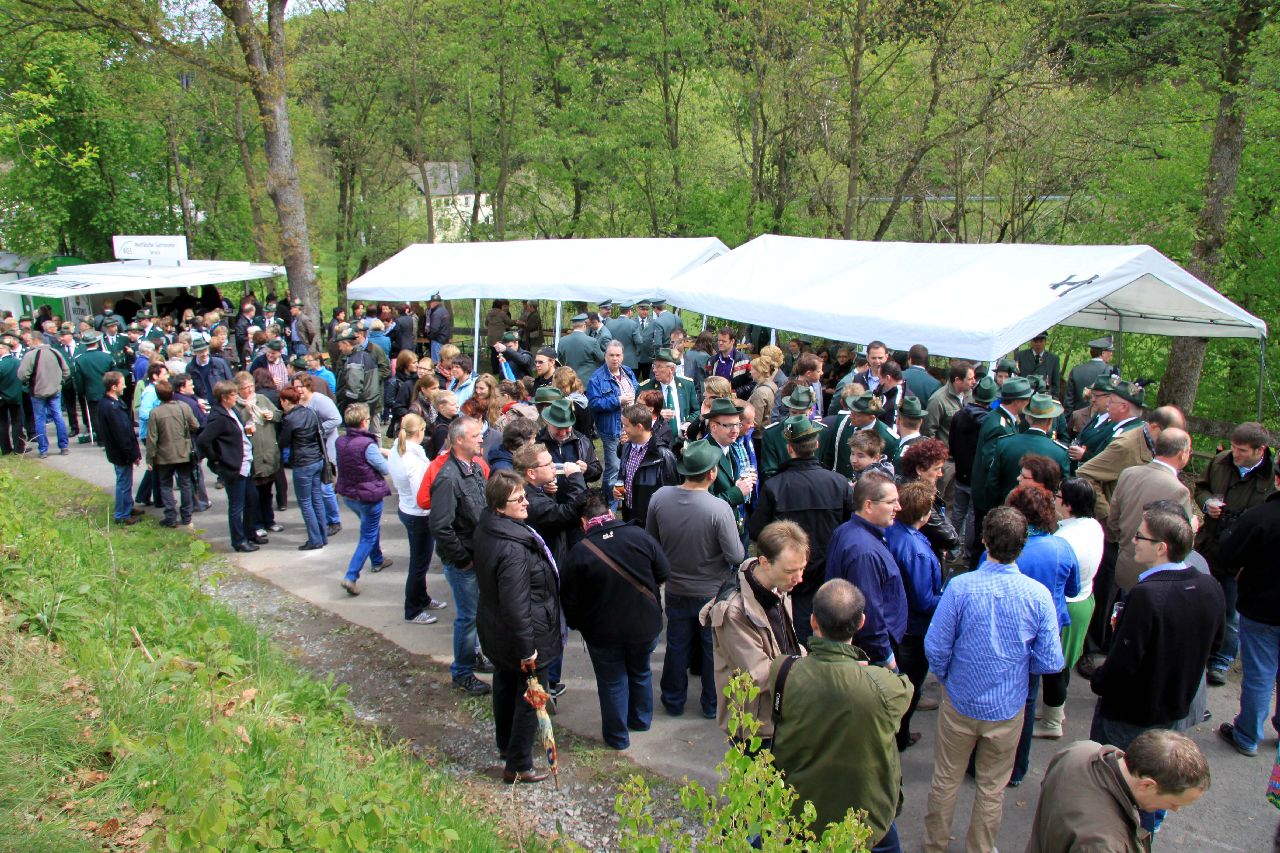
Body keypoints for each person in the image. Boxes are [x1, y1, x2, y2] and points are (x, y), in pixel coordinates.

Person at [922, 506, 1064, 853]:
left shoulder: (960, 588)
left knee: (945, 779)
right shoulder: (1038, 596)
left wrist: (947, 678)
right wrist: (1019, 673)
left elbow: (936, 646)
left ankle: (934, 845)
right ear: (1022, 545)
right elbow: (1051, 661)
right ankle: (981, 848)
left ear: (984, 540)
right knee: (992, 787)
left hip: (960, 700)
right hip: (1006, 707)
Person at [1090, 503, 1223, 838]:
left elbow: (1124, 662)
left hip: (1130, 713)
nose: (1133, 541)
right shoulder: (1210, 587)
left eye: (1140, 536)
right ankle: (1147, 830)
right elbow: (1216, 646)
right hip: (1173, 709)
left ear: (1162, 547)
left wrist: (1100, 680)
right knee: (1157, 782)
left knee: (1120, 784)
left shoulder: (1147, 595)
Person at [768, 579, 912, 850]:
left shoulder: (783, 671)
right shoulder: (884, 686)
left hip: (800, 813)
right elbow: (905, 688)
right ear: (861, 623)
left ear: (813, 621)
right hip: (867, 818)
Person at [561, 489, 671, 751]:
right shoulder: (639, 536)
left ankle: (617, 736)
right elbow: (664, 571)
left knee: (612, 681)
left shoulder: (579, 553)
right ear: (610, 512)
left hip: (602, 632)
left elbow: (570, 602)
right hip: (644, 625)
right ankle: (641, 720)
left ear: (583, 522)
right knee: (641, 671)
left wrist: (579, 624)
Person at [472, 469, 562, 784]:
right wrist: (528, 649)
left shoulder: (489, 527)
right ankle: (519, 764)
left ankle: (505, 745)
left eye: (525, 496)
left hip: (496, 629)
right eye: (518, 499)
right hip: (524, 634)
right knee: (531, 694)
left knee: (505, 683)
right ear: (500, 506)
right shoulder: (512, 548)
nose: (526, 503)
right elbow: (515, 603)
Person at [646, 440, 744, 719]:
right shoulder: (718, 508)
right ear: (712, 473)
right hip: (712, 592)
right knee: (712, 650)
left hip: (675, 588)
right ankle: (712, 705)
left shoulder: (659, 498)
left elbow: (652, 541)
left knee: (677, 646)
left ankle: (673, 700)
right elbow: (736, 555)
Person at [699, 521, 807, 746]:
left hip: (782, 714)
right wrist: (816, 673)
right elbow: (759, 674)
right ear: (765, 562)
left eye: (802, 568)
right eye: (790, 571)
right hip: (756, 729)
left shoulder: (777, 585)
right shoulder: (734, 612)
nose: (799, 578)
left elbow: (786, 643)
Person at [748, 416, 852, 645]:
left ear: (789, 448)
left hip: (790, 580)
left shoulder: (775, 486)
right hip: (828, 574)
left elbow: (757, 531)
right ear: (816, 445)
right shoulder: (839, 483)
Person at [1002, 484, 1080, 786]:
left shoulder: (1008, 550)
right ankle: (1017, 769)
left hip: (1010, 631)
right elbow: (1073, 589)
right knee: (1028, 698)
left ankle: (986, 760)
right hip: (1046, 631)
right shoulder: (1062, 547)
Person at [1026, 730, 1210, 853]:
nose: (1175, 809)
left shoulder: (1081, 750)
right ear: (1147, 785)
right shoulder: (1107, 845)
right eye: (1173, 803)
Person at [1195, 422, 1275, 686]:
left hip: (1241, 558)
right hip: (1209, 545)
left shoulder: (1270, 479)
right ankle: (1196, 649)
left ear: (1260, 450)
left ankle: (1221, 659)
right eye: (1233, 447)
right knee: (1198, 601)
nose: (1235, 454)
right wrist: (1206, 503)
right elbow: (1201, 487)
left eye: (1242, 450)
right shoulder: (1219, 462)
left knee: (1231, 612)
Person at [1217, 465, 1280, 756]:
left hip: (1261, 608)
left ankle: (1247, 734)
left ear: (1276, 480)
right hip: (1262, 607)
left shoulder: (1261, 516)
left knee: (1259, 674)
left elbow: (1229, 554)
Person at [1036, 476, 1105, 739]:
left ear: (1068, 505)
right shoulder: (1093, 527)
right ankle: (1056, 709)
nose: (1054, 499)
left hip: (1067, 605)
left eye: (1058, 496)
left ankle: (1052, 722)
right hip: (1084, 601)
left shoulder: (1064, 539)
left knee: (1055, 668)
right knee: (1062, 664)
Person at [429, 416, 492, 696]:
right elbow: (440, 527)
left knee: (476, 615)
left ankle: (474, 656)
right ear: (459, 441)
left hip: (476, 555)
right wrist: (463, 559)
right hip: (464, 563)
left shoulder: (474, 467)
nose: (482, 439)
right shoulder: (448, 478)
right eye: (476, 435)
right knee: (467, 618)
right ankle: (462, 673)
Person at [883, 479, 942, 753]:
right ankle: (900, 737)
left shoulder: (892, 532)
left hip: (896, 623)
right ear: (924, 514)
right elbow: (923, 600)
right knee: (909, 686)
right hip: (912, 629)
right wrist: (949, 598)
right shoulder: (916, 551)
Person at [825, 472, 906, 671]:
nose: (898, 507)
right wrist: (886, 659)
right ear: (869, 505)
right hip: (872, 655)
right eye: (891, 502)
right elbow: (869, 612)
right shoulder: (864, 552)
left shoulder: (846, 530)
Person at [1107, 427, 1195, 594]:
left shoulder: (1128, 473)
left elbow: (1113, 520)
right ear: (1182, 454)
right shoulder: (1179, 491)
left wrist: (1124, 544)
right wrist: (1194, 526)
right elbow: (1182, 543)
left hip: (1124, 565)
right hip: (1154, 576)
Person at [197, 379, 266, 553]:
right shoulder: (218, 417)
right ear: (224, 397)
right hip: (234, 467)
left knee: (252, 499)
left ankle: (250, 533)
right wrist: (217, 459)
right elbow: (203, 440)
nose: (237, 397)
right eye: (234, 394)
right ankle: (239, 541)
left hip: (245, 463)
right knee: (237, 506)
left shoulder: (232, 411)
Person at [969, 376, 1033, 559]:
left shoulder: (1004, 419)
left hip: (990, 493)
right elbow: (991, 463)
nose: (1028, 403)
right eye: (1027, 399)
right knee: (984, 543)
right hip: (990, 496)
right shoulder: (998, 425)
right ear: (1018, 401)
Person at [334, 403, 393, 594]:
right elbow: (384, 468)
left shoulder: (340, 441)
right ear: (363, 422)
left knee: (370, 528)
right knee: (368, 535)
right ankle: (351, 576)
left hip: (349, 495)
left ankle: (377, 560)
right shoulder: (367, 445)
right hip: (368, 496)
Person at [984, 393, 1070, 510]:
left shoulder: (1005, 444)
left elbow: (992, 484)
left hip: (1007, 511)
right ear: (1050, 422)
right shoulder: (1059, 452)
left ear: (1028, 418)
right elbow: (1062, 490)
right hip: (1041, 514)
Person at [278, 385, 329, 551]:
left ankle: (315, 539)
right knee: (317, 499)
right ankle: (322, 535)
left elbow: (283, 442)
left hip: (302, 463)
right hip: (317, 459)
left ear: (286, 401)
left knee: (305, 502)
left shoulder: (289, 419)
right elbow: (320, 433)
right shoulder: (311, 412)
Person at [144, 379, 200, 528]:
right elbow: (196, 425)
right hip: (183, 452)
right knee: (185, 483)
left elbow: (152, 438)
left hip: (164, 455)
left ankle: (170, 516)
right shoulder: (184, 407)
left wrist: (150, 458)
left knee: (166, 485)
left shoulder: (155, 413)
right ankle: (187, 516)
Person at [587, 339, 637, 502]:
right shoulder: (597, 378)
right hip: (612, 429)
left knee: (629, 463)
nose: (615, 359)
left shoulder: (628, 372)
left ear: (622, 356)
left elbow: (636, 389)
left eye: (618, 355)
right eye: (611, 355)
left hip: (631, 427)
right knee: (614, 467)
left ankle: (624, 497)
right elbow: (593, 404)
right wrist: (618, 400)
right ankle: (609, 504)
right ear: (605, 356)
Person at [616, 404, 678, 528]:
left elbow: (672, 495)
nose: (623, 429)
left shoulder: (663, 455)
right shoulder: (627, 447)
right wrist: (619, 488)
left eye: (626, 425)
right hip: (629, 516)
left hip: (651, 521)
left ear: (639, 427)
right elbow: (623, 475)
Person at [98, 371, 143, 525]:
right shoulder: (112, 408)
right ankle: (122, 514)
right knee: (124, 483)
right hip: (121, 453)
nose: (124, 386)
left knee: (125, 481)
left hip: (118, 451)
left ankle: (127, 506)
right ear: (114, 387)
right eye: (122, 383)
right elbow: (122, 433)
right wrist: (132, 454)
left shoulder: (110, 403)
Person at [17, 332, 71, 458]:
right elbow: (66, 371)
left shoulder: (30, 355)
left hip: (37, 391)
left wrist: (29, 382)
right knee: (58, 417)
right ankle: (64, 446)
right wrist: (59, 382)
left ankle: (43, 449)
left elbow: (22, 375)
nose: (28, 342)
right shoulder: (55, 352)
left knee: (39, 420)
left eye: (30, 340)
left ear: (36, 340)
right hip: (55, 390)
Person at [637, 347, 698, 438]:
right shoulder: (646, 387)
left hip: (683, 439)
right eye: (654, 366)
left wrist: (689, 423)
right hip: (657, 440)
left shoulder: (687, 385)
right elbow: (637, 414)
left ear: (672, 369)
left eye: (659, 366)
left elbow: (696, 410)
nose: (654, 370)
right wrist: (656, 415)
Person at [425, 293, 452, 364]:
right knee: (443, 362)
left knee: (436, 362)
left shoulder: (436, 313)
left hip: (437, 341)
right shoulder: (445, 311)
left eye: (430, 302)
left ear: (434, 302)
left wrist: (429, 336)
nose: (430, 304)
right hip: (444, 340)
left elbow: (434, 329)